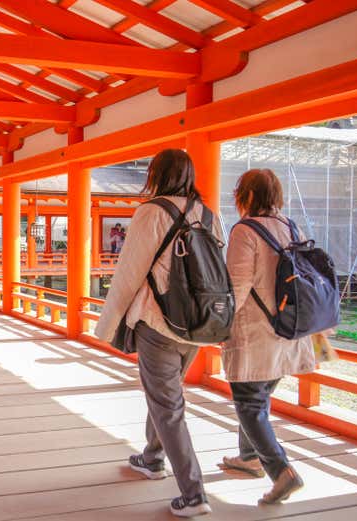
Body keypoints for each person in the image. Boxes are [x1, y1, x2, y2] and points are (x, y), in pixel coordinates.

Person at [94, 149, 219, 517]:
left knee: (167, 405)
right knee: (166, 394)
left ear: (156, 174)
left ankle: (194, 494)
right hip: (197, 323)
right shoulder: (208, 214)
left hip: (158, 320)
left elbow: (129, 274)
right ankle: (152, 458)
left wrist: (109, 324)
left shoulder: (151, 212)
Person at [220, 169, 314, 504]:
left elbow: (237, 287)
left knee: (248, 403)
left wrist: (220, 325)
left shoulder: (245, 231)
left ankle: (281, 471)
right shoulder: (291, 226)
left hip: (255, 332)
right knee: (259, 398)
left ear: (243, 194)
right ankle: (249, 458)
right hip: (288, 329)